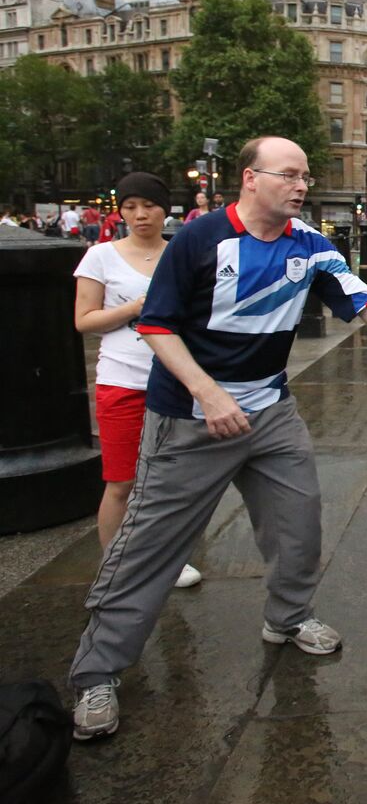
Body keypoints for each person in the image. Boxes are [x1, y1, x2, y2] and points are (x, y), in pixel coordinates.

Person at [68, 136, 367, 742]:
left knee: (298, 520)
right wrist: (208, 393)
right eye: (290, 174)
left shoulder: (312, 246)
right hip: (189, 416)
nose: (302, 184)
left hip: (271, 409)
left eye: (305, 175)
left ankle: (288, 618)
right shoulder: (201, 240)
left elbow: (366, 305)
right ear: (250, 178)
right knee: (149, 545)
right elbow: (155, 325)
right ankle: (95, 674)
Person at [72, 173, 202, 589]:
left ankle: (168, 559)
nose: (140, 215)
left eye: (148, 205)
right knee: (122, 481)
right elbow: (84, 321)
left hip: (176, 380)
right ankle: (115, 564)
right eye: (130, 207)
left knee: (171, 482)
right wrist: (136, 307)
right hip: (123, 382)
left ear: (165, 208)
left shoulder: (180, 253)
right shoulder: (100, 256)